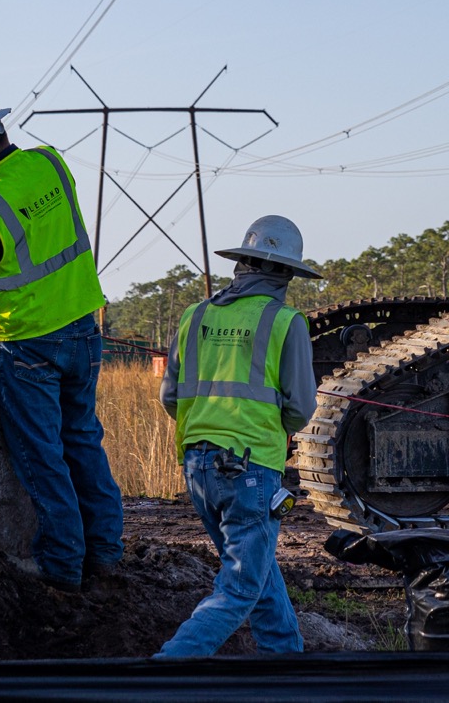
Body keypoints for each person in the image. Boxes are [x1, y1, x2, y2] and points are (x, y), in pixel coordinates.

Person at [0, 90, 123, 593]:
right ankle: (105, 554)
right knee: (83, 443)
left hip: (27, 344)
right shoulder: (50, 163)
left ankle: (60, 566)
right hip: (81, 329)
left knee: (42, 457)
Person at [156, 215, 318, 656]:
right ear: (285, 272)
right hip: (249, 471)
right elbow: (301, 408)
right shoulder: (286, 322)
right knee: (240, 588)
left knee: (258, 573)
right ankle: (168, 668)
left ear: (242, 263)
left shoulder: (195, 315)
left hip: (197, 470)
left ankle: (286, 660)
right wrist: (264, 431)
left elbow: (170, 397)